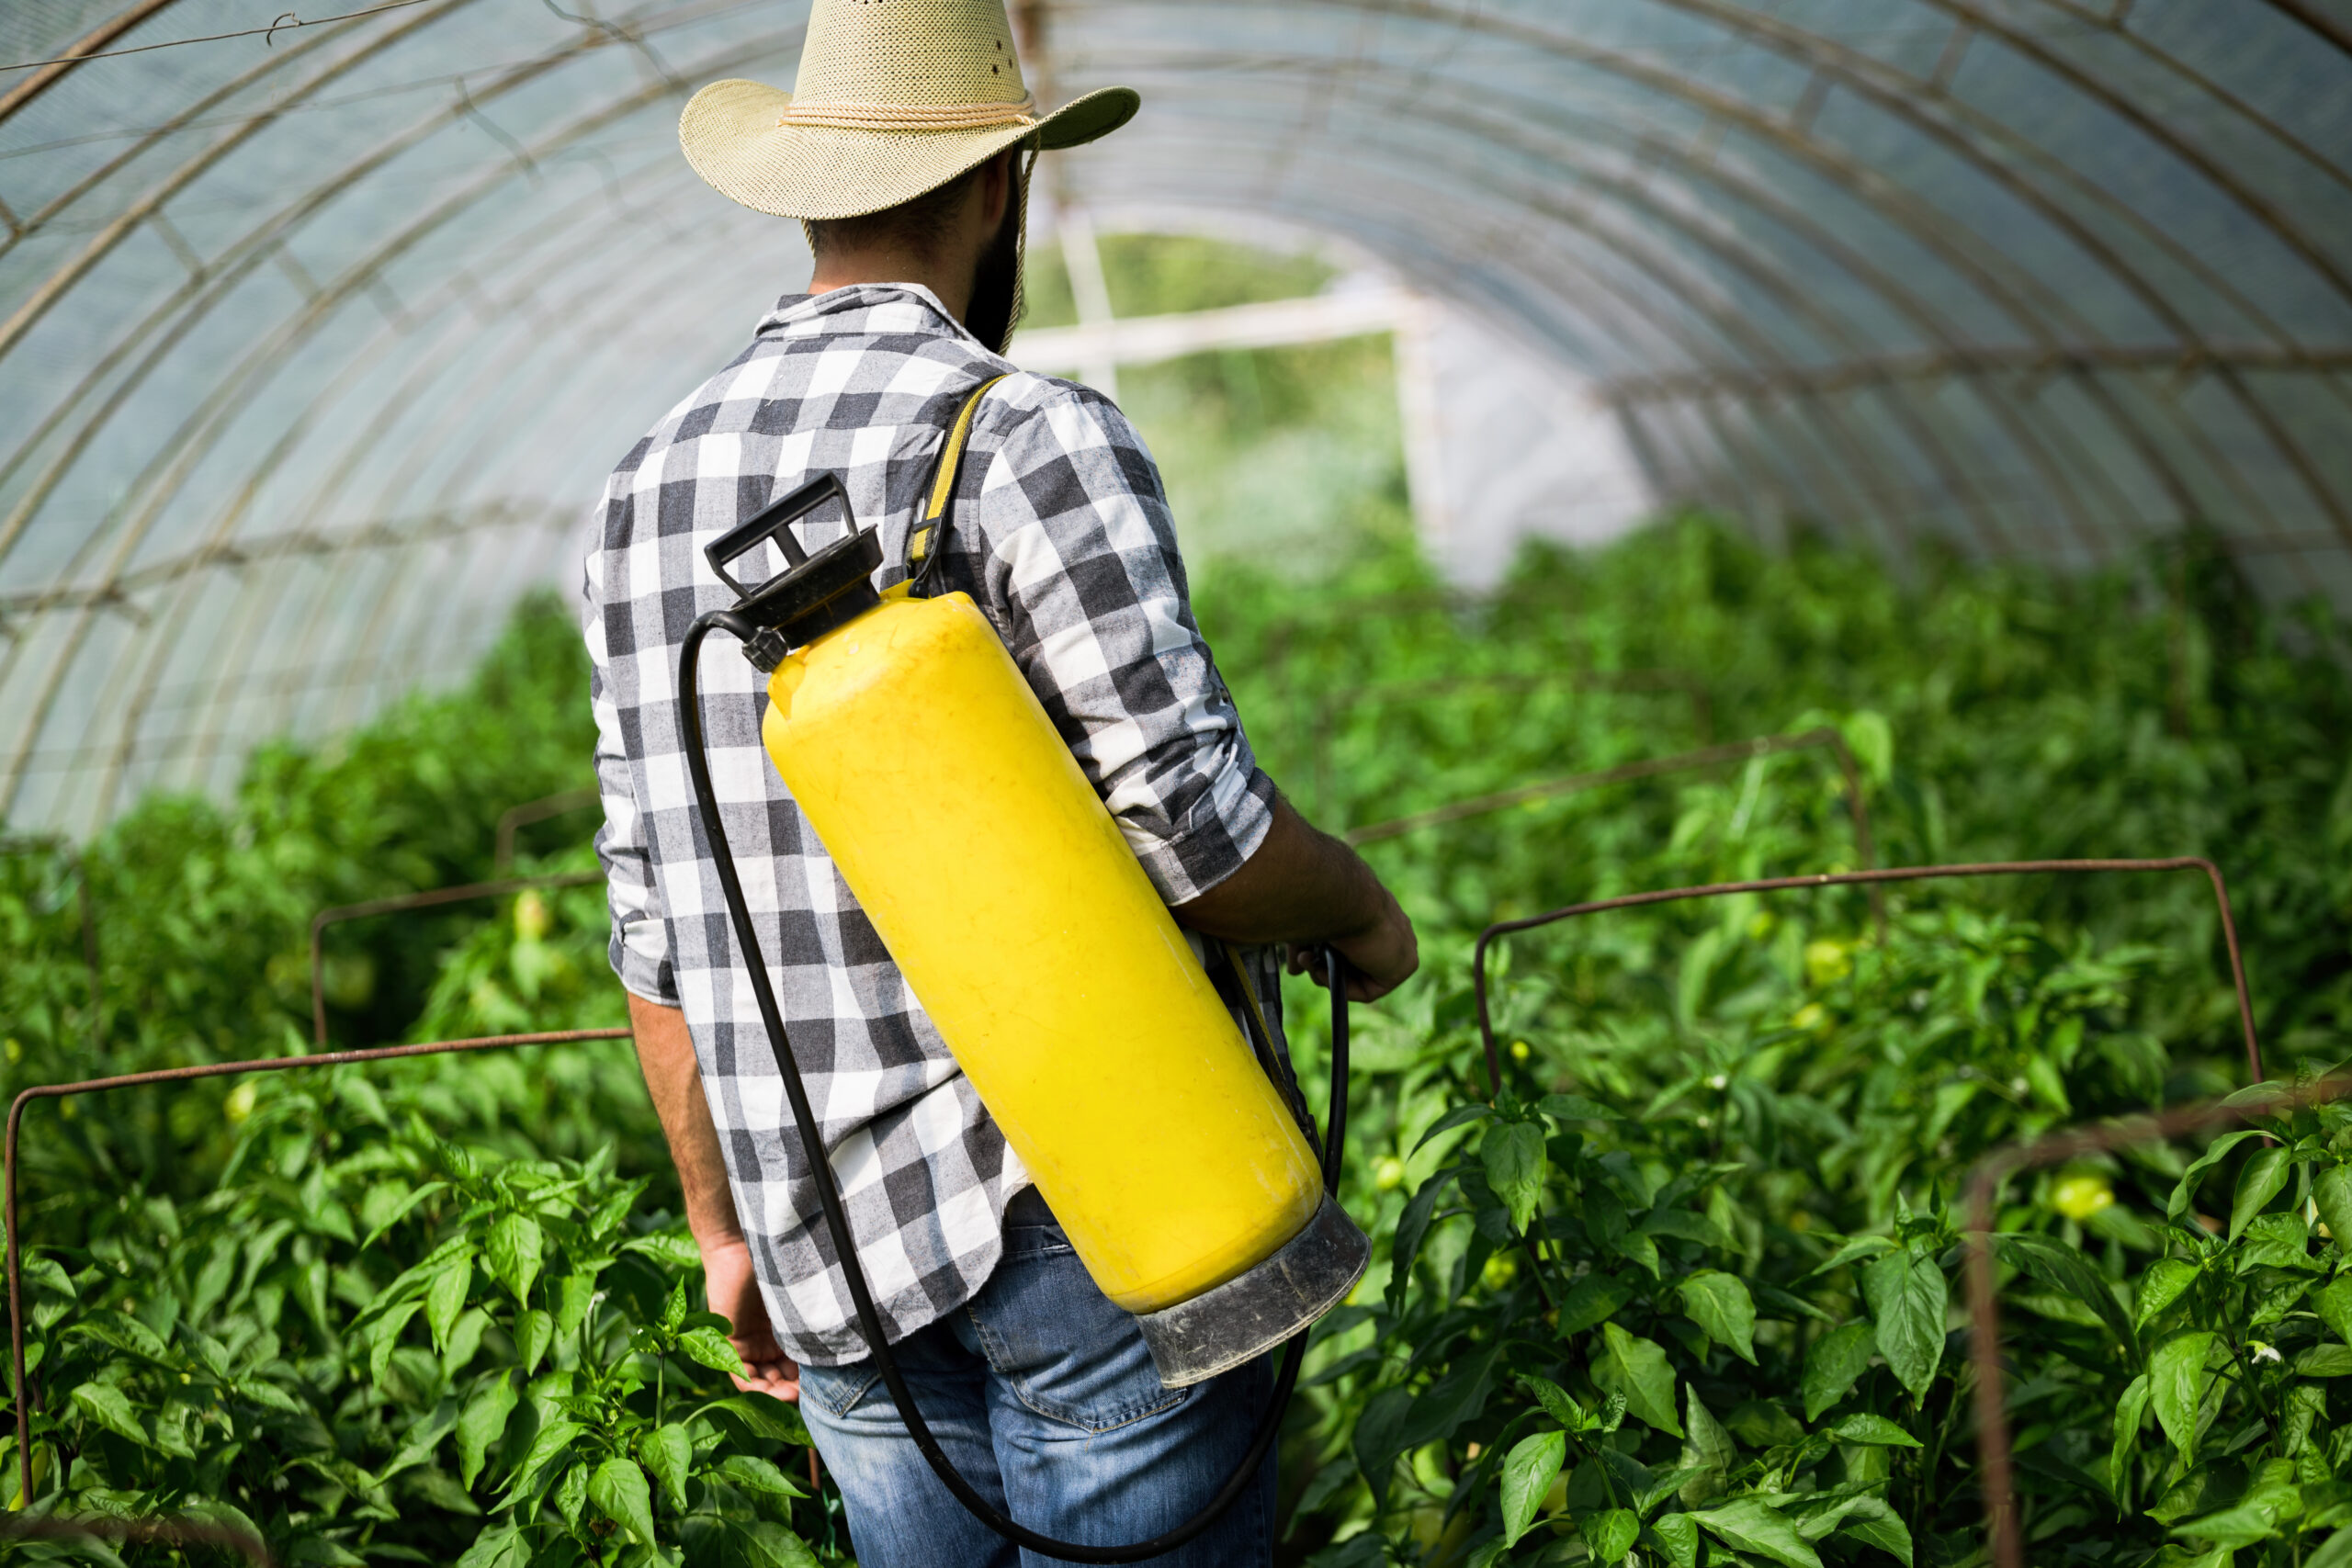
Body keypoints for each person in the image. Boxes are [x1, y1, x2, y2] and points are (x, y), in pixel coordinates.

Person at [583, 2, 1418, 1562]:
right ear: (997, 187)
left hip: (823, 1235)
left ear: (806, 193)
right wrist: (1363, 908)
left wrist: (719, 1226)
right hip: (1081, 1201)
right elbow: (1197, 834)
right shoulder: (1022, 433)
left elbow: (654, 929)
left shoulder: (642, 493)